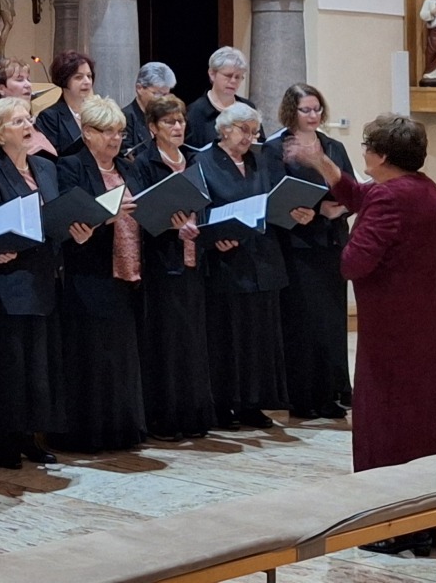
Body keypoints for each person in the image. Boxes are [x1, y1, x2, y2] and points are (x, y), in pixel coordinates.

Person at [286, 114, 436, 558]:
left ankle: (396, 526)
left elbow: (353, 264)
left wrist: (335, 234)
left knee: (389, 419)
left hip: (391, 330)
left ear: (380, 155)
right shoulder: (425, 189)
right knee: (427, 416)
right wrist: (322, 163)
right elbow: (360, 195)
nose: (362, 153)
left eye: (366, 146)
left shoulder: (388, 199)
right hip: (426, 323)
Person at [194, 102, 312, 431]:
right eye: (244, 130)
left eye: (254, 131)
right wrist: (214, 237)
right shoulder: (203, 161)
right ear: (225, 129)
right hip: (227, 260)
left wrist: (294, 211)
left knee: (260, 336)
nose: (250, 137)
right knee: (228, 335)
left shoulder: (259, 160)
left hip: (263, 258)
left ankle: (253, 403)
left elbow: (273, 200)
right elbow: (200, 208)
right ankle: (224, 405)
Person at [52, 95, 145, 452]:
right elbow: (69, 212)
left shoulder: (128, 168)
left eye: (119, 132)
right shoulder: (71, 166)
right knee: (92, 354)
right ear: (87, 132)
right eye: (107, 131)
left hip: (127, 268)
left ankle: (122, 429)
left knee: (121, 355)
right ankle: (89, 434)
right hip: (89, 269)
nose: (114, 139)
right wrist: (106, 215)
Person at [0, 96, 61, 468]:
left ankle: (30, 435)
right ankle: (4, 440)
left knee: (36, 364)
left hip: (42, 273)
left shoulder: (45, 167)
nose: (28, 126)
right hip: (8, 275)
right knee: (9, 364)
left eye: (29, 119)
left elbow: (55, 214)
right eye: (18, 121)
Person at [259, 84, 352, 422]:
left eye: (317, 109)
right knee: (302, 321)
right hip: (296, 245)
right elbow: (273, 195)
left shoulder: (334, 147)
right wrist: (311, 210)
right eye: (306, 110)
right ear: (291, 112)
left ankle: (331, 393)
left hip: (331, 243)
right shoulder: (275, 148)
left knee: (331, 321)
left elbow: (351, 189)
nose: (313, 115)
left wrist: (338, 208)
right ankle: (302, 396)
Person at [124, 94, 212, 440]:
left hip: (193, 259)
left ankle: (193, 414)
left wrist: (199, 223)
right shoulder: (143, 162)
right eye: (169, 122)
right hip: (162, 262)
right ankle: (164, 418)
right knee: (166, 342)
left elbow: (205, 201)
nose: (178, 127)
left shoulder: (193, 159)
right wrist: (171, 224)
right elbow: (143, 211)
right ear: (152, 127)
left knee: (192, 341)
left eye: (181, 121)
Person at [186, 46, 252, 148]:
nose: (233, 81)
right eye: (228, 75)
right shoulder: (194, 112)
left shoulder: (248, 108)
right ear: (212, 74)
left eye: (238, 77)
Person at [33, 51, 96, 156]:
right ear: (64, 80)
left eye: (89, 76)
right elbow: (51, 157)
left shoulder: (97, 113)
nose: (87, 82)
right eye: (78, 77)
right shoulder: (50, 117)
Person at [121, 61, 176, 157]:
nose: (163, 99)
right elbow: (127, 156)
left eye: (166, 94)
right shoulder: (125, 118)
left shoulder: (165, 117)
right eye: (157, 94)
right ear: (139, 88)